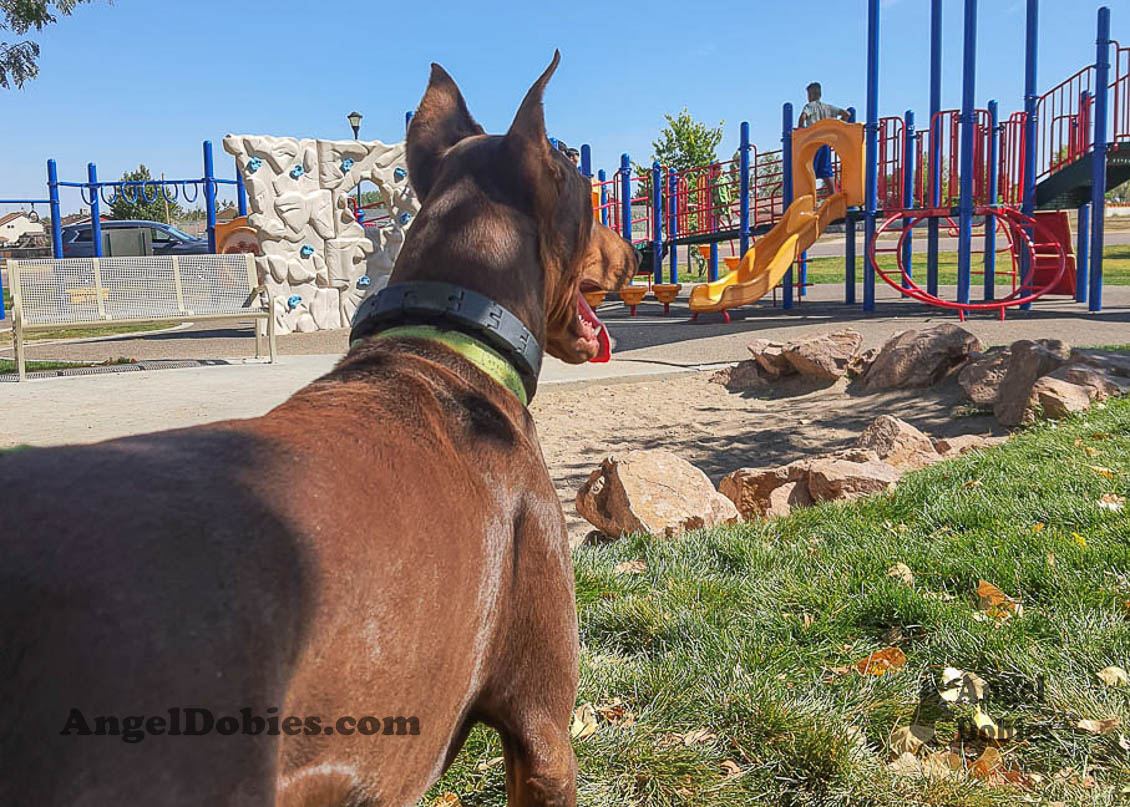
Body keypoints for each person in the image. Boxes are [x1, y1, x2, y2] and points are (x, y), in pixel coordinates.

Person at [798, 82, 851, 191]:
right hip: (826, 143)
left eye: (809, 95)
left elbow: (803, 117)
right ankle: (833, 194)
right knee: (826, 170)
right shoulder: (828, 107)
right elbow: (847, 114)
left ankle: (810, 195)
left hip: (812, 142)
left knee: (808, 168)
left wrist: (800, 130)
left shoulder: (809, 106)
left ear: (812, 95)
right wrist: (837, 128)